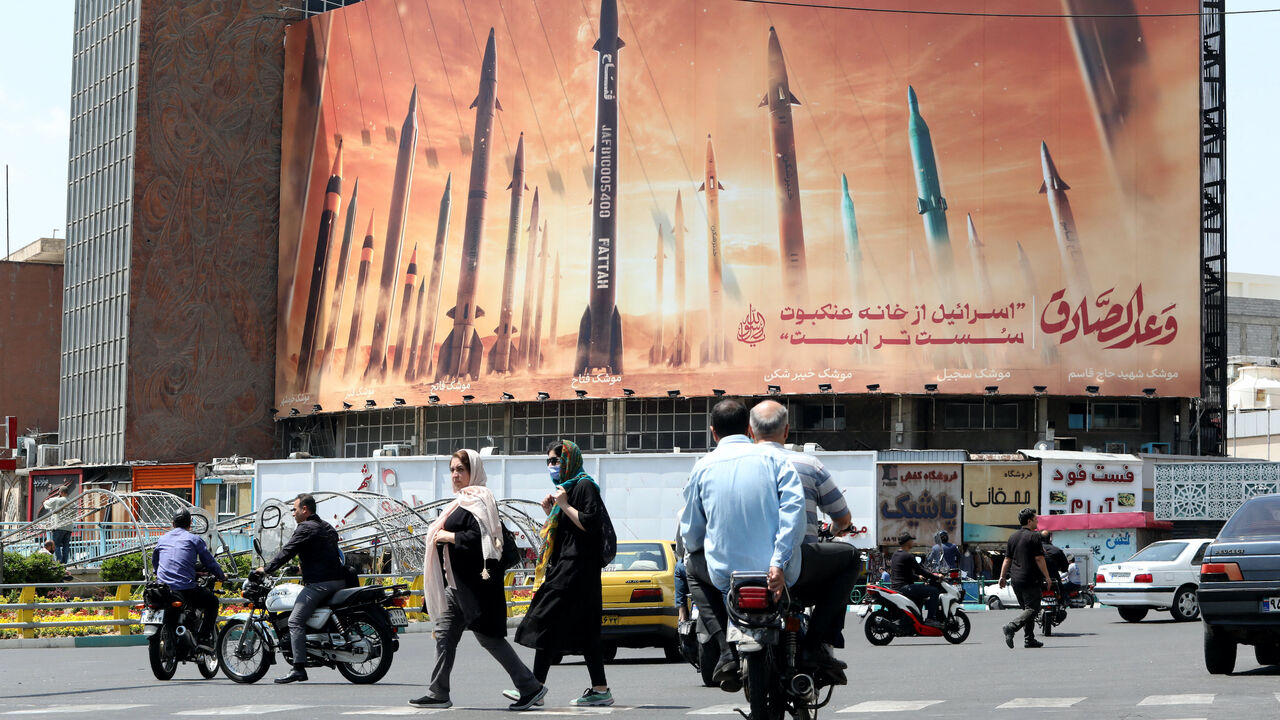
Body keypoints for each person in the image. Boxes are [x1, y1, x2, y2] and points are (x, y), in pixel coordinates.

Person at [680, 399, 821, 692]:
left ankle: (725, 650)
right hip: (780, 574)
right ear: (748, 430)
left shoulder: (702, 468)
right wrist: (778, 563)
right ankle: (820, 643)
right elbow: (793, 513)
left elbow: (692, 534)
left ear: (713, 433)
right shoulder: (775, 460)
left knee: (691, 567)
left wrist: (702, 545)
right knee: (847, 559)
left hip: (724, 577)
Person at [411, 450, 545, 711]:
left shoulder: (480, 500)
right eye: (452, 470)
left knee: (489, 639)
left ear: (474, 471)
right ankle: (438, 692)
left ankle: (530, 687)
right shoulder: (460, 502)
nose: (455, 475)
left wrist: (449, 537)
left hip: (475, 588)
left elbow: (482, 540)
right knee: (445, 638)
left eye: (461, 469)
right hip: (455, 586)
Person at [749, 400, 859, 652]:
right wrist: (835, 529)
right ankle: (820, 640)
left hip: (744, 563)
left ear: (751, 431)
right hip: (799, 565)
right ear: (786, 431)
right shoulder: (807, 464)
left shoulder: (735, 466)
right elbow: (842, 518)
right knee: (851, 558)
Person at [515, 440, 613, 707]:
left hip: (576, 569)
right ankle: (599, 688)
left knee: (544, 618)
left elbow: (591, 524)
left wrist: (565, 505)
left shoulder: (584, 486)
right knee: (585, 630)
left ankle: (533, 687)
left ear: (569, 460)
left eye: (556, 461)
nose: (552, 466)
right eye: (548, 461)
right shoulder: (567, 489)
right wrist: (553, 510)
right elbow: (566, 533)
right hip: (573, 569)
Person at [258, 493, 348, 683]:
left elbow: (287, 551)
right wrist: (302, 567)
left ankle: (298, 667)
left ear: (305, 509)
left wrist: (266, 569)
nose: (293, 513)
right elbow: (324, 550)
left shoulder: (305, 528)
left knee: (295, 621)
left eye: (295, 509)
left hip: (320, 584)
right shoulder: (326, 526)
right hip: (338, 580)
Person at [151, 510, 226, 649]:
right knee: (213, 602)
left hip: (162, 588)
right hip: (185, 589)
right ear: (190, 524)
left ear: (172, 523)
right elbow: (209, 562)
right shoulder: (194, 539)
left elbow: (155, 562)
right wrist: (221, 576)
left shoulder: (162, 539)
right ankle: (203, 638)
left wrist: (158, 574)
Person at [999, 508, 1055, 649]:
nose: (1037, 521)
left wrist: (1002, 577)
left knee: (1027, 610)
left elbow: (1007, 559)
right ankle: (1011, 627)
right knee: (1033, 609)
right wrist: (1047, 577)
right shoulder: (1034, 536)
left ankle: (1029, 639)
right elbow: (1039, 559)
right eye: (1035, 519)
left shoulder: (1013, 537)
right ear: (1029, 521)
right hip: (1030, 579)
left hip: (1016, 580)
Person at [888, 532, 944, 627]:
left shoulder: (895, 554)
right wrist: (936, 577)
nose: (912, 542)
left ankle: (917, 618)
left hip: (896, 587)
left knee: (921, 592)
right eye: (911, 540)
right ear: (907, 542)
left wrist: (918, 577)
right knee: (934, 591)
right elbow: (920, 570)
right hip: (905, 588)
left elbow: (905, 573)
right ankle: (930, 619)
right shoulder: (908, 556)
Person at [42, 487, 72, 564]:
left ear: (60, 492)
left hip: (59, 526)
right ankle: (65, 562)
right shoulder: (72, 501)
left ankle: (59, 562)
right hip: (69, 527)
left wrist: (56, 498)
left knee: (56, 545)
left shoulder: (58, 500)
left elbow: (46, 503)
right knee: (66, 546)